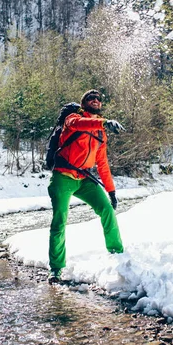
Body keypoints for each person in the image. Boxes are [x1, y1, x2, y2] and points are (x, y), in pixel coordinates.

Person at [47, 89, 126, 284]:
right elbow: (78, 124)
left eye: (98, 99)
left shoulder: (100, 131)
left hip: (84, 178)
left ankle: (117, 252)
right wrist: (104, 122)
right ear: (84, 103)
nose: (96, 101)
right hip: (63, 177)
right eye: (91, 98)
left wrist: (111, 191)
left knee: (107, 209)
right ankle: (56, 269)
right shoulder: (74, 118)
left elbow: (103, 163)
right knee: (59, 222)